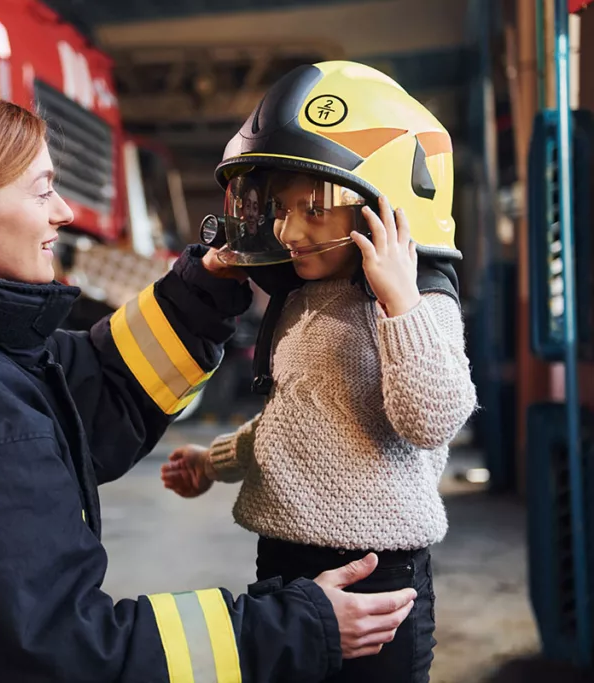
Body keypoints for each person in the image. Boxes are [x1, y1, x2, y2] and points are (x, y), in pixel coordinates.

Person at [0, 88, 417, 683]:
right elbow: (70, 651)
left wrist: (203, 294)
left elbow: (93, 389)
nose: (63, 211)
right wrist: (296, 627)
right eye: (42, 189)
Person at [162, 61, 477, 683]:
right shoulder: (303, 302)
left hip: (374, 573)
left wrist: (400, 304)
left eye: (314, 207)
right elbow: (295, 426)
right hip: (282, 563)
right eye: (280, 207)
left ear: (381, 206)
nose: (288, 229)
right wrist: (213, 460)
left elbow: (433, 419)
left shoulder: (420, 304)